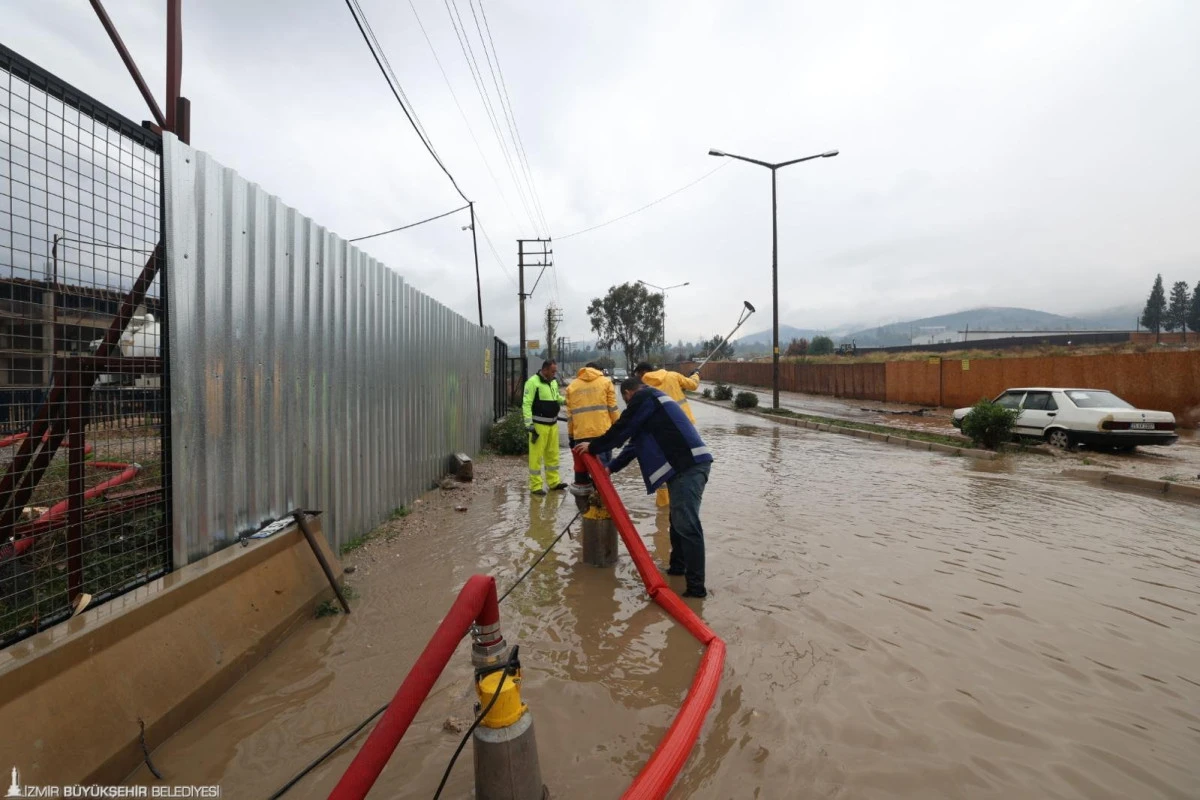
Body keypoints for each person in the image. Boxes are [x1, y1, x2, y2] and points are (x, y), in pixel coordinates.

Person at [574, 378, 713, 598]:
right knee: (677, 521)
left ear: (628, 393)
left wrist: (593, 446)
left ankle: (697, 589)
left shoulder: (644, 396)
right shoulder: (653, 404)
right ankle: (678, 568)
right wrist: (610, 469)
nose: (628, 405)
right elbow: (633, 446)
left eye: (626, 401)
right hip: (686, 466)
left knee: (687, 524)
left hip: (689, 467)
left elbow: (622, 428)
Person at [633, 362, 701, 508]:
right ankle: (683, 501)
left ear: (642, 372)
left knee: (662, 467)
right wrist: (695, 374)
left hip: (660, 433)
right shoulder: (672, 376)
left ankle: (663, 506)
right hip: (684, 428)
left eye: (637, 374)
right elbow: (693, 385)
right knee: (685, 466)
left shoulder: (641, 388)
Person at [565, 362, 619, 490]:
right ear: (598, 370)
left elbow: (570, 416)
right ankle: (602, 502)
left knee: (581, 472)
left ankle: (585, 505)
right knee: (603, 472)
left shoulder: (572, 386)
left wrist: (571, 436)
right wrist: (617, 430)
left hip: (581, 435)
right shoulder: (606, 382)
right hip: (603, 434)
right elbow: (613, 409)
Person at [522, 359, 567, 495]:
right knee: (536, 457)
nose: (555, 374)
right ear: (545, 370)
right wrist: (529, 425)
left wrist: (565, 400)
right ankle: (536, 486)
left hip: (552, 425)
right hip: (538, 426)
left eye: (555, 371)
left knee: (552, 455)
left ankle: (553, 483)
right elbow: (526, 404)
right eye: (553, 371)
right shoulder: (532, 382)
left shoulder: (552, 382)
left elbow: (556, 397)